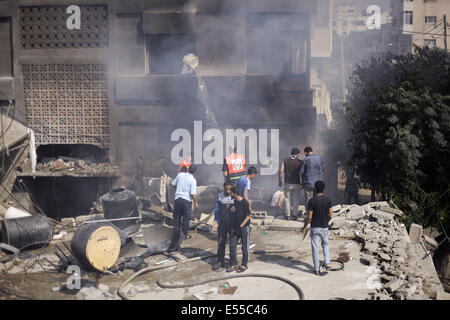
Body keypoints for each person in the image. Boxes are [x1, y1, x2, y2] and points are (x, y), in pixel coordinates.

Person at [301, 181, 333, 275]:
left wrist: (304, 227)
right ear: (323, 189)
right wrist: (326, 222)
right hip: (324, 227)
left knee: (315, 248)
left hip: (315, 227)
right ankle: (327, 263)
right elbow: (331, 215)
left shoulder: (312, 201)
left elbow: (309, 217)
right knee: (325, 244)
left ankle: (316, 269)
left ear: (315, 189)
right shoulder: (328, 200)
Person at [167, 164, 199, 253]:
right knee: (186, 218)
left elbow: (173, 184)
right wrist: (196, 202)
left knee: (176, 218)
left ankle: (175, 234)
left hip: (177, 200)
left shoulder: (180, 175)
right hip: (186, 201)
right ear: (194, 172)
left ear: (188, 169)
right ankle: (184, 235)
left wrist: (178, 190)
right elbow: (192, 193)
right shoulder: (193, 180)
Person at [227, 185, 251, 273]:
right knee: (232, 246)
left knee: (244, 247)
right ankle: (234, 264)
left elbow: (248, 216)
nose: (230, 194)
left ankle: (244, 264)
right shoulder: (234, 202)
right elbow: (233, 212)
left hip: (243, 228)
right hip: (234, 228)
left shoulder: (245, 203)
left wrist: (241, 225)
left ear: (235, 193)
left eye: (231, 193)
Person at [212, 181, 235, 270]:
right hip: (223, 223)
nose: (228, 191)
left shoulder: (235, 196)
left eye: (229, 189)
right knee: (221, 242)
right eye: (226, 189)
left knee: (233, 244)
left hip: (233, 223)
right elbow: (217, 210)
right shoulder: (220, 196)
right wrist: (215, 221)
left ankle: (233, 262)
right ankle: (220, 261)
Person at [279, 148, 302, 220]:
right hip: (296, 183)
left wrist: (280, 181)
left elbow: (281, 171)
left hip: (287, 183)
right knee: (296, 200)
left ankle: (288, 215)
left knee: (287, 199)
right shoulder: (299, 161)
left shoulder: (285, 160)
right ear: (297, 154)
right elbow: (302, 173)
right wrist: (303, 182)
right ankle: (295, 215)